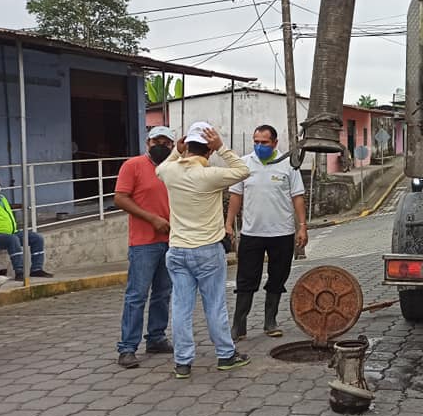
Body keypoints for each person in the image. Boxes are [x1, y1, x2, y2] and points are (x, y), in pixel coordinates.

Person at [156, 122, 251, 379]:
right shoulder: (211, 175)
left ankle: (182, 362)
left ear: (187, 145)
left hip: (178, 250)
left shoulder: (169, 172)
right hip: (207, 250)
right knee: (215, 305)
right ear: (209, 150)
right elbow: (243, 170)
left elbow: (160, 168)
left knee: (181, 308)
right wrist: (222, 147)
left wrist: (176, 152)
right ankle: (225, 355)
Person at [225, 124, 308, 340]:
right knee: (245, 280)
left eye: (264, 142)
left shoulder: (288, 164)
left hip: (282, 233)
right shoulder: (244, 164)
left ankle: (270, 321)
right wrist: (228, 223)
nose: (259, 146)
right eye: (256, 142)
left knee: (278, 278)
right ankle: (239, 325)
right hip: (252, 233)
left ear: (275, 143)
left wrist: (302, 226)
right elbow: (235, 196)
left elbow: (297, 197)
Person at [113, 126, 177, 369]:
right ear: (147, 143)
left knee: (163, 293)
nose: (161, 145)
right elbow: (120, 198)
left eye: (166, 142)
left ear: (172, 145)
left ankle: (156, 338)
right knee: (137, 295)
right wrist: (152, 219)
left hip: (171, 241)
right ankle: (127, 348)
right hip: (143, 243)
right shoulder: (133, 166)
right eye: (156, 141)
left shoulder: (174, 167)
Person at [0, 177, 53, 281]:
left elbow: (3, 208)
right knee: (13, 240)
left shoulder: (1, 197)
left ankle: (36, 269)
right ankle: (19, 271)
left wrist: (19, 205)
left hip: (12, 232)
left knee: (37, 238)